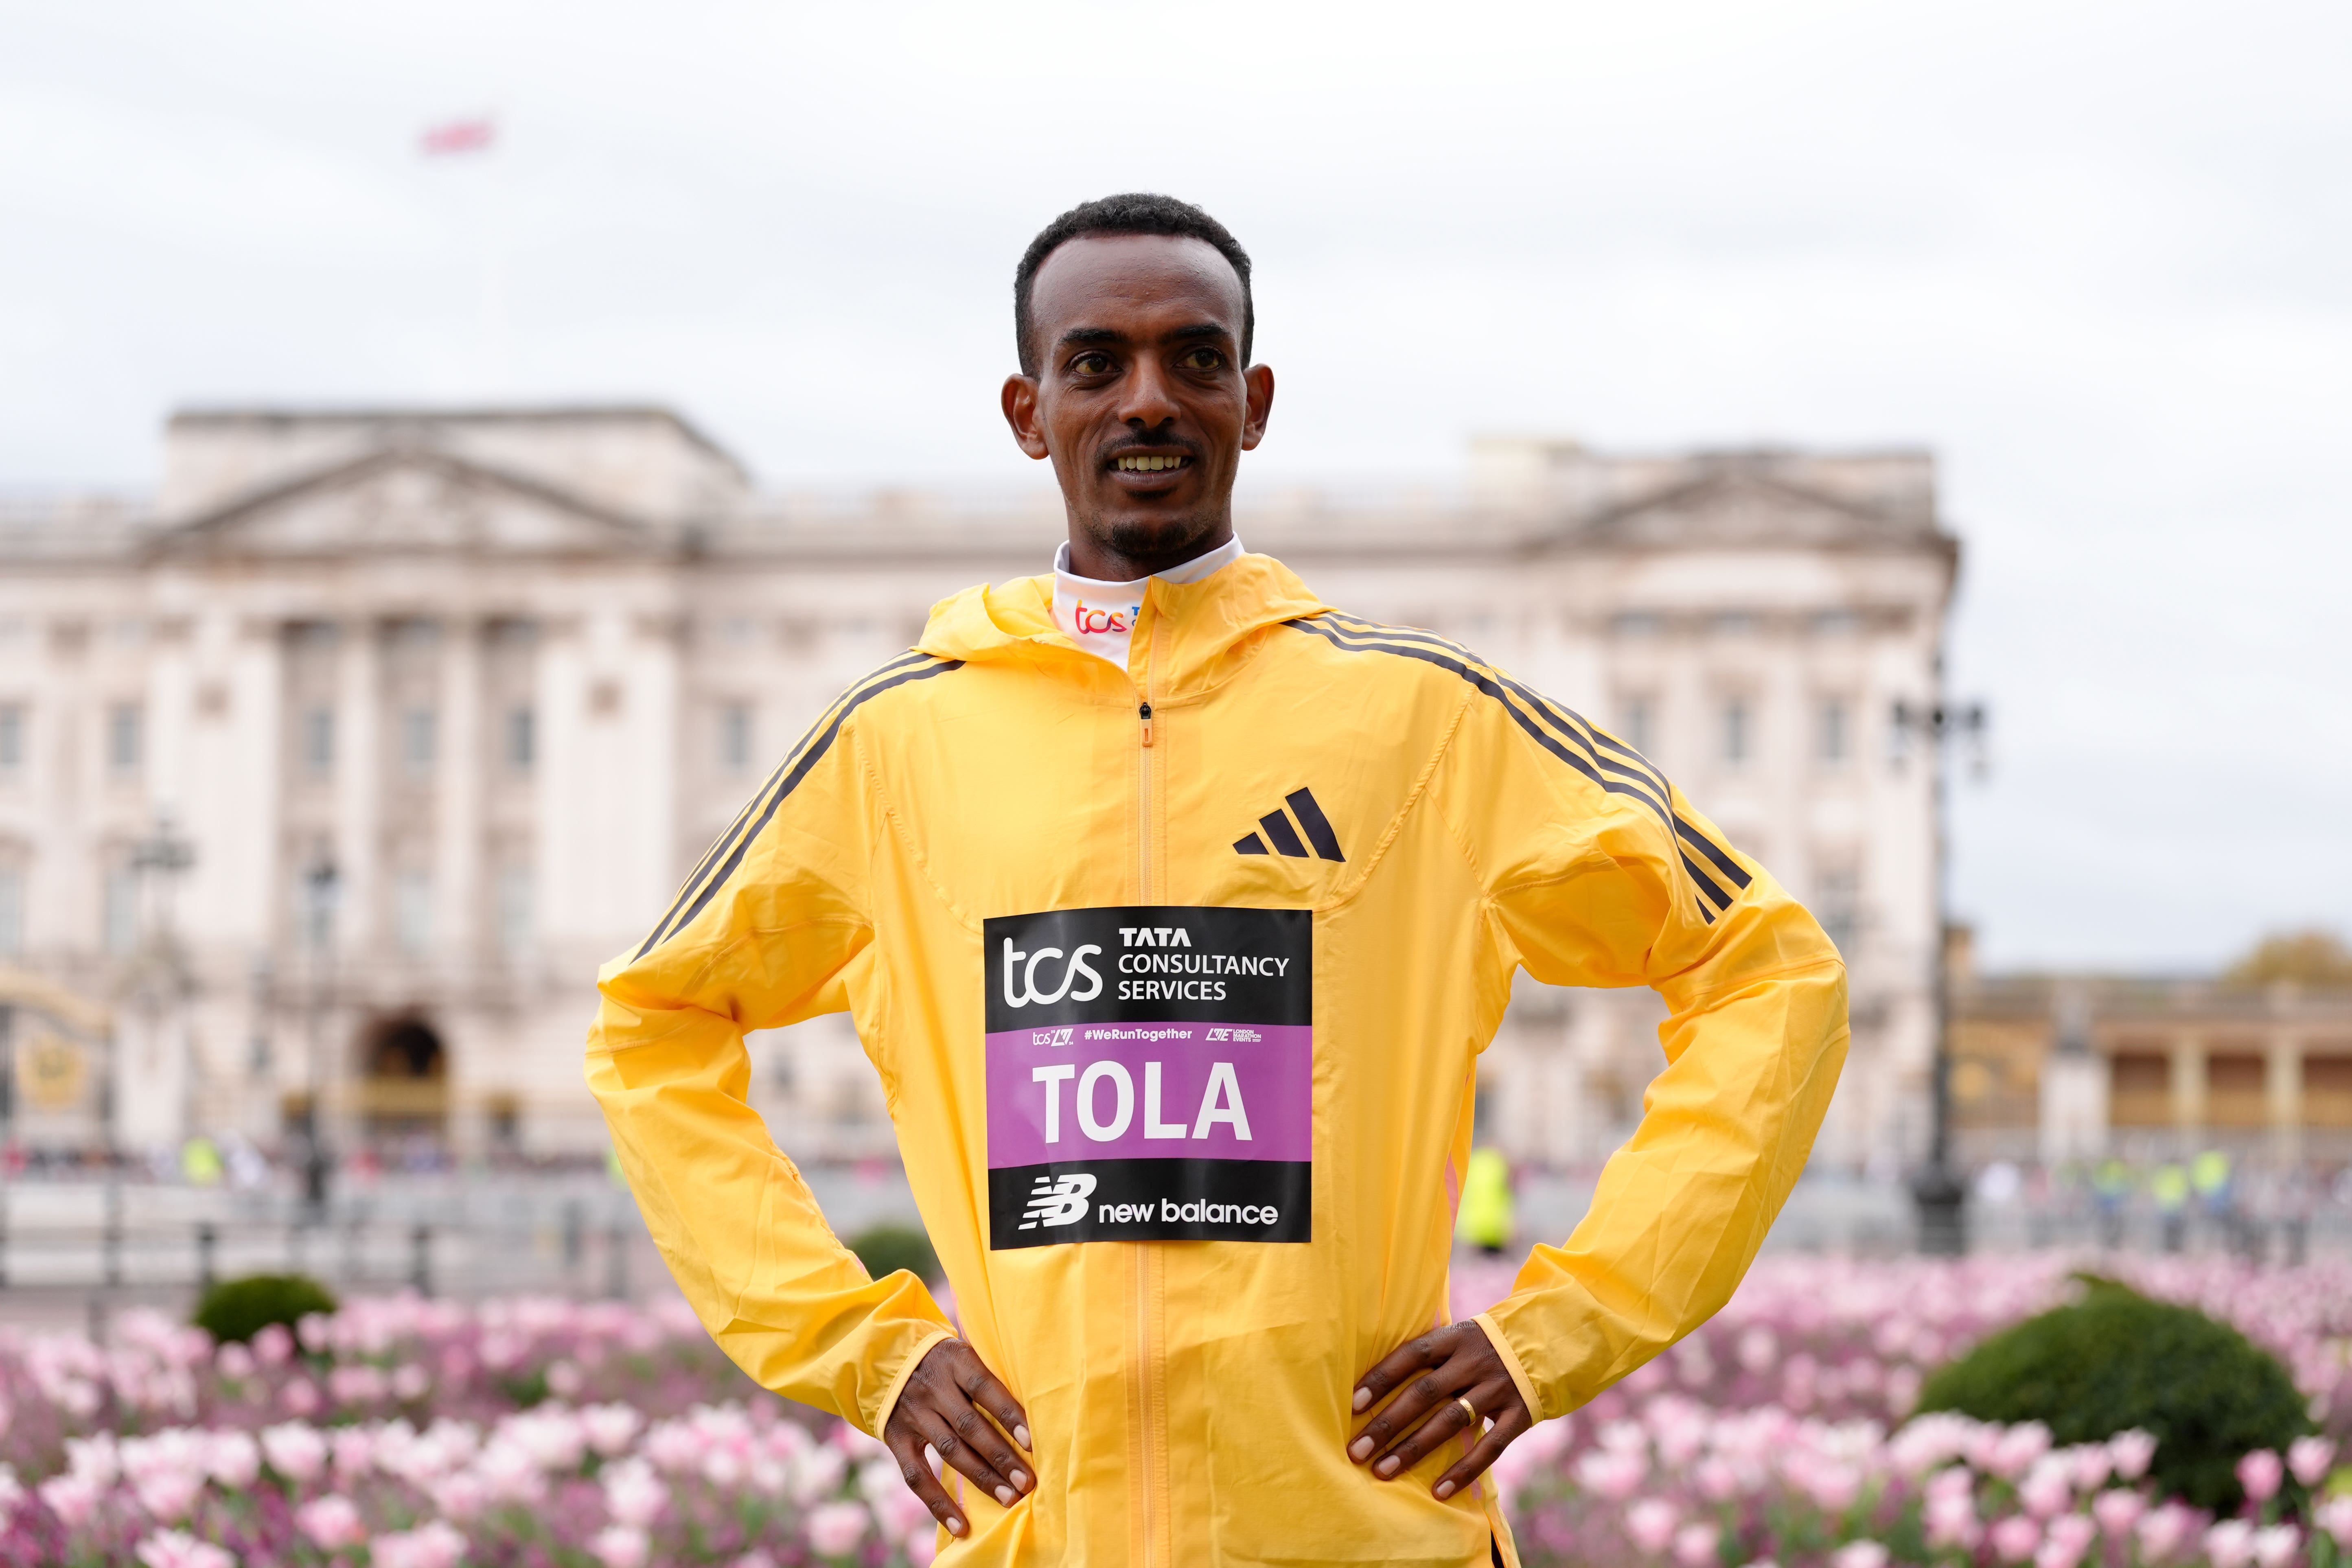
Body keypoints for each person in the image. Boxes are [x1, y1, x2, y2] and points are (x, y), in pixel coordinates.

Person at [587, 193, 1849, 1567]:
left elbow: (1770, 973)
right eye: (1094, 364)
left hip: (1365, 1533)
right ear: (1027, 411)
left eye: (1193, 360)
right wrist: (861, 1350)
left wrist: (1555, 1331)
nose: (1146, 400)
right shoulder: (893, 742)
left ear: (1251, 403)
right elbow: (649, 1027)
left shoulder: (1429, 719)